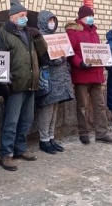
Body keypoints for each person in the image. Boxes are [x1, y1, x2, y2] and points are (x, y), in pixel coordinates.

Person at [0, 0, 47, 171]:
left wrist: (39, 37)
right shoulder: (3, 33)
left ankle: (20, 149)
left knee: (26, 120)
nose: (25, 18)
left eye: (26, 15)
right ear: (12, 18)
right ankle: (6, 154)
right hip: (15, 84)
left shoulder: (30, 33)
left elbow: (42, 53)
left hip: (31, 83)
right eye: (21, 16)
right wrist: (5, 79)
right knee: (11, 121)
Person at [66, 5, 112, 145]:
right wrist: (80, 63)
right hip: (82, 75)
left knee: (100, 105)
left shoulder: (93, 31)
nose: (91, 18)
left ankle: (102, 133)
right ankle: (84, 133)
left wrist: (106, 60)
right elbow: (70, 53)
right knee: (82, 106)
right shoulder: (74, 31)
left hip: (96, 75)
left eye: (92, 16)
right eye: (89, 16)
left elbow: (98, 51)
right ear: (81, 17)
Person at [36, 10, 75, 154]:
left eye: (53, 21)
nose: (51, 23)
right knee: (46, 110)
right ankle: (44, 139)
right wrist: (60, 58)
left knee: (54, 110)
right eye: (49, 21)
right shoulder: (40, 37)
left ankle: (51, 137)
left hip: (60, 80)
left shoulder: (55, 37)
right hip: (48, 79)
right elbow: (44, 57)